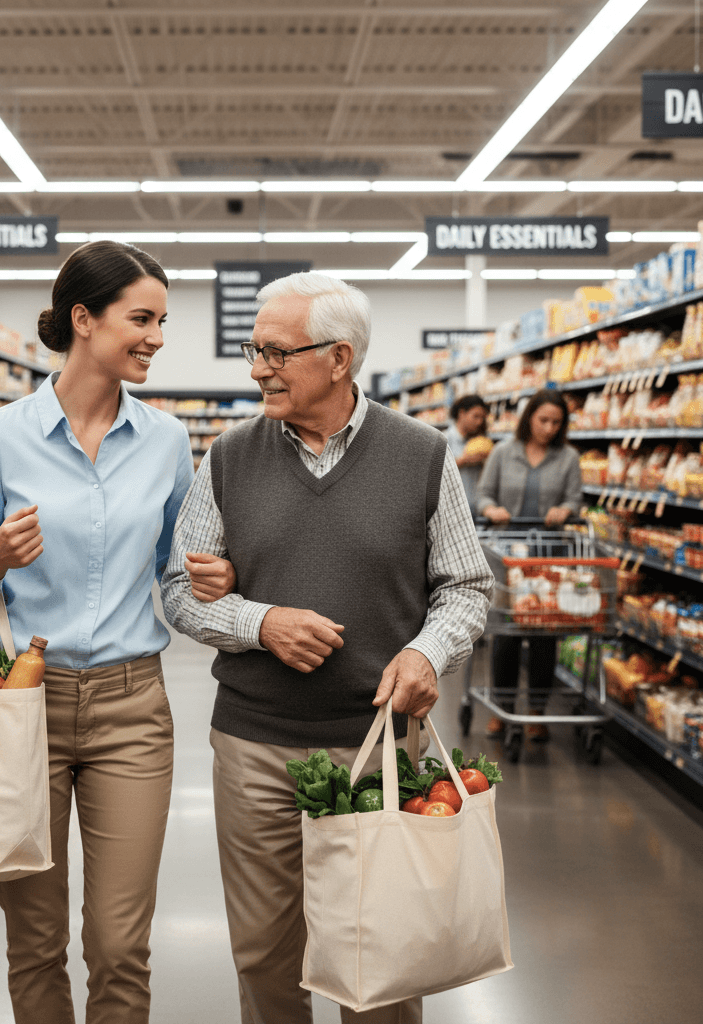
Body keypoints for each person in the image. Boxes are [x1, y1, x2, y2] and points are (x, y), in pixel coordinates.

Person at [160, 271, 494, 1024]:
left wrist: (425, 653)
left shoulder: (423, 455)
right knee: (266, 954)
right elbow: (181, 590)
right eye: (255, 350)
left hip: (377, 748)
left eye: (276, 353)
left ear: (339, 359)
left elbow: (467, 586)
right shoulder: (227, 456)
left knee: (380, 954)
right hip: (253, 746)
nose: (256, 369)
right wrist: (260, 621)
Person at [0, 240, 236, 1024]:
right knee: (34, 938)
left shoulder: (170, 441)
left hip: (132, 708)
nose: (157, 336)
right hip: (20, 706)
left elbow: (177, 579)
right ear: (84, 319)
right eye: (142, 318)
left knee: (118, 942)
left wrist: (214, 585)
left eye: (162, 321)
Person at [476, 388, 583, 741]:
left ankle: (537, 712)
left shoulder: (567, 457)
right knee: (505, 634)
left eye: (556, 422)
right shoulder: (503, 452)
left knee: (543, 635)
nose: (549, 428)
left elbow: (574, 500)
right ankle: (501, 710)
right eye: (543, 420)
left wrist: (565, 511)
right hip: (508, 557)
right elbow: (483, 494)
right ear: (529, 418)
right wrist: (492, 509)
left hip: (548, 558)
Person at [445, 393, 491, 515]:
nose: (479, 422)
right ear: (462, 414)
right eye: (475, 416)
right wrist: (463, 461)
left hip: (475, 509)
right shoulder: (444, 439)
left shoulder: (480, 441)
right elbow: (434, 471)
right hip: (452, 511)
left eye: (482, 417)